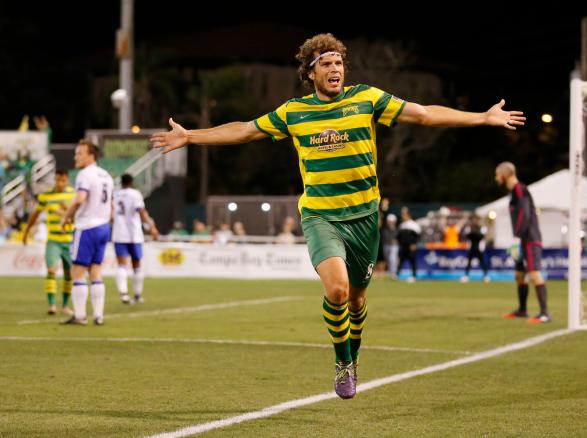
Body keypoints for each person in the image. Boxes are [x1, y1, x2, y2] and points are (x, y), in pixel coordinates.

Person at [152, 33, 525, 399]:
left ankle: (354, 355)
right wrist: (192, 137)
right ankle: (343, 362)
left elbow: (425, 114)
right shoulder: (294, 112)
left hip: (364, 217)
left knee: (358, 302)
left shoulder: (367, 98)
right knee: (337, 290)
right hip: (320, 216)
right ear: (310, 73)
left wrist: (482, 118)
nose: (335, 68)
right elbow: (246, 130)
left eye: (339, 62)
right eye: (326, 63)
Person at [60, 139, 114, 326]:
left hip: (87, 227)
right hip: (103, 227)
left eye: (80, 153)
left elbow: (79, 199)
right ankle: (98, 315)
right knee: (96, 271)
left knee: (78, 272)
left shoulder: (85, 174)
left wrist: (66, 217)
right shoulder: (106, 175)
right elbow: (112, 205)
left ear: (91, 155)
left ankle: (80, 315)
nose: (76, 156)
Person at [495, 162, 550, 324]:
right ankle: (522, 310)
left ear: (505, 174)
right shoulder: (513, 192)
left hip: (530, 238)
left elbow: (524, 213)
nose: (496, 178)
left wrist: (518, 236)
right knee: (519, 275)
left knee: (534, 273)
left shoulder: (519, 189)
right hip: (522, 239)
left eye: (497, 174)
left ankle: (544, 314)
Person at [22, 169, 75, 315]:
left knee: (69, 274)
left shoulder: (73, 195)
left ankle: (65, 305)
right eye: (57, 180)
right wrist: (26, 232)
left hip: (70, 241)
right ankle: (52, 305)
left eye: (62, 180)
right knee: (51, 270)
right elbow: (35, 214)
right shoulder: (46, 196)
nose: (59, 183)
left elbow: (80, 216)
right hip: (53, 241)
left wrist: (69, 209)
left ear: (67, 180)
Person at [112, 173, 159, 305]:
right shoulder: (135, 194)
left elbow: (111, 214)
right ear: (131, 182)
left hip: (119, 233)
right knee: (136, 264)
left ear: (121, 182)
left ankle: (124, 294)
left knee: (121, 265)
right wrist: (151, 227)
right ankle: (137, 295)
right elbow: (141, 211)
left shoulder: (115, 195)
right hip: (134, 234)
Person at [460, 215, 490, 283]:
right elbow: (467, 235)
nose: (475, 221)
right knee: (469, 262)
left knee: (482, 262)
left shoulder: (482, 228)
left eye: (476, 219)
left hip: (479, 248)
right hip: (471, 248)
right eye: (473, 219)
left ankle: (485, 275)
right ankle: (466, 276)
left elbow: (483, 236)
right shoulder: (469, 228)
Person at [397, 207, 421, 283]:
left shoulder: (413, 225)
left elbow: (417, 236)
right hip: (403, 247)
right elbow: (399, 236)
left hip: (411, 247)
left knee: (412, 261)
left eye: (404, 214)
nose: (402, 216)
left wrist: (414, 244)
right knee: (401, 261)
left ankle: (414, 276)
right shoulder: (402, 225)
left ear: (408, 215)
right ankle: (397, 275)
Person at [381, 213, 399, 279]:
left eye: (391, 221)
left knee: (393, 259)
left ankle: (394, 274)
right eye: (389, 221)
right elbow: (383, 237)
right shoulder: (384, 229)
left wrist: (396, 241)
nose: (390, 222)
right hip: (386, 245)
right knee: (388, 260)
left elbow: (399, 237)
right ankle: (390, 273)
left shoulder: (397, 229)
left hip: (394, 246)